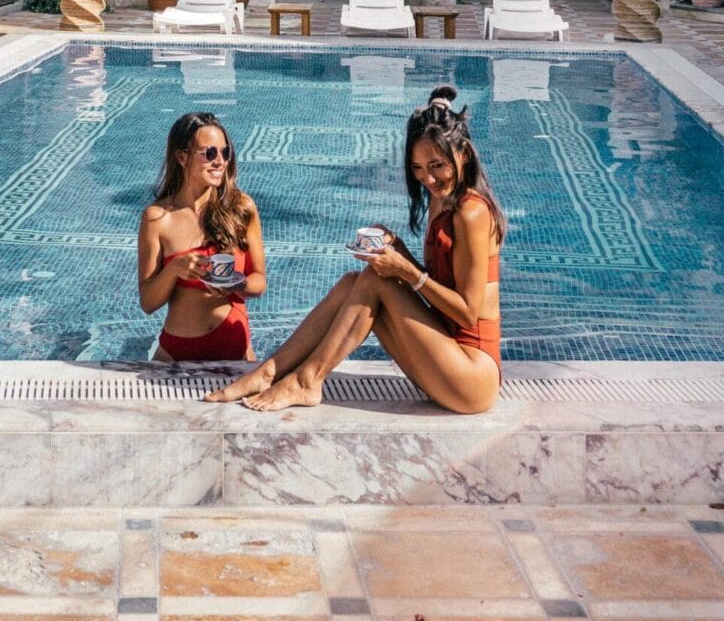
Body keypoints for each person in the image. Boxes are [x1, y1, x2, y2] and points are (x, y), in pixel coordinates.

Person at [206, 85, 503, 412]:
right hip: (443, 360)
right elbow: (441, 281)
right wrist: (399, 250)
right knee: (353, 282)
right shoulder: (441, 201)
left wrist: (406, 272)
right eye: (418, 168)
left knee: (376, 281)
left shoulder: (471, 212)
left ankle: (307, 380)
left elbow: (466, 311)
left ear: (462, 153)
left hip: (473, 376)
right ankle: (269, 371)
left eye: (436, 166)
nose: (427, 179)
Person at [138, 111, 266, 362]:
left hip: (236, 350)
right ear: (182, 157)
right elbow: (148, 303)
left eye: (225, 152)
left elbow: (260, 279)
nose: (220, 161)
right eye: (210, 153)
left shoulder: (240, 208)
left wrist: (238, 284)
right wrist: (174, 268)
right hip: (176, 353)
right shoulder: (158, 218)